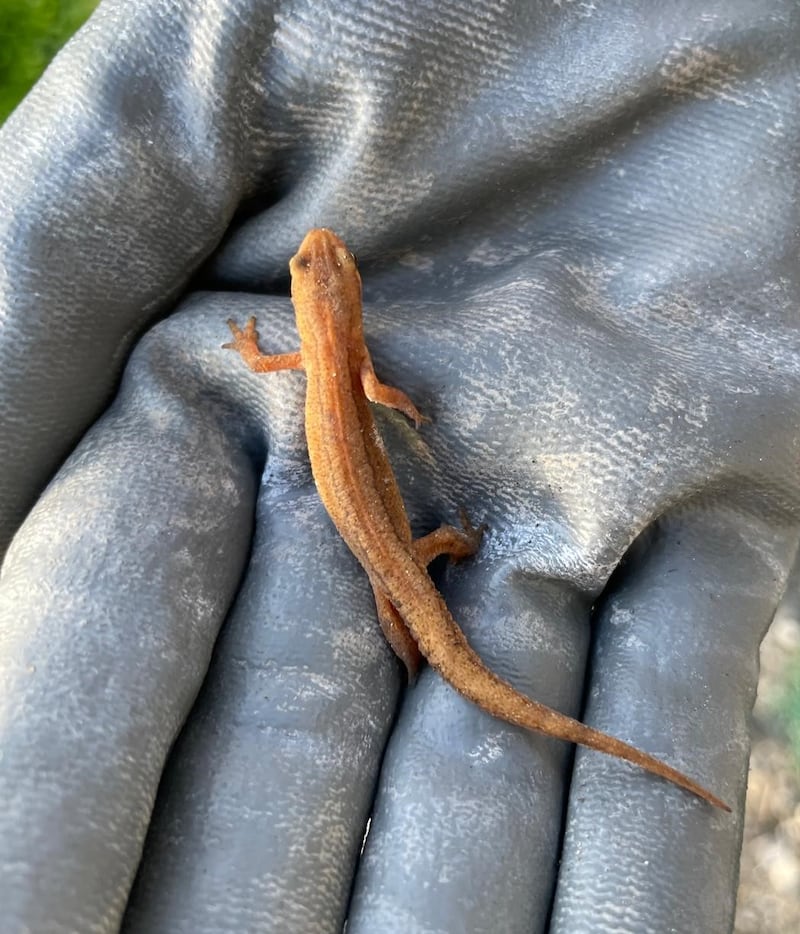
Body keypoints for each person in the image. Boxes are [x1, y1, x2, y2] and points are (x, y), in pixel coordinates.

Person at [0, 2, 797, 931]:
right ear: (323, 307)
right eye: (313, 265)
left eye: (324, 267)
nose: (317, 254)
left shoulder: (318, 354)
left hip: (401, 553)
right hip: (397, 555)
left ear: (331, 307)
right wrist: (411, 417)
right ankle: (435, 644)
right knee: (406, 592)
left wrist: (265, 344)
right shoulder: (341, 360)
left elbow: (291, 368)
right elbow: (385, 399)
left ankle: (433, 651)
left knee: (410, 595)